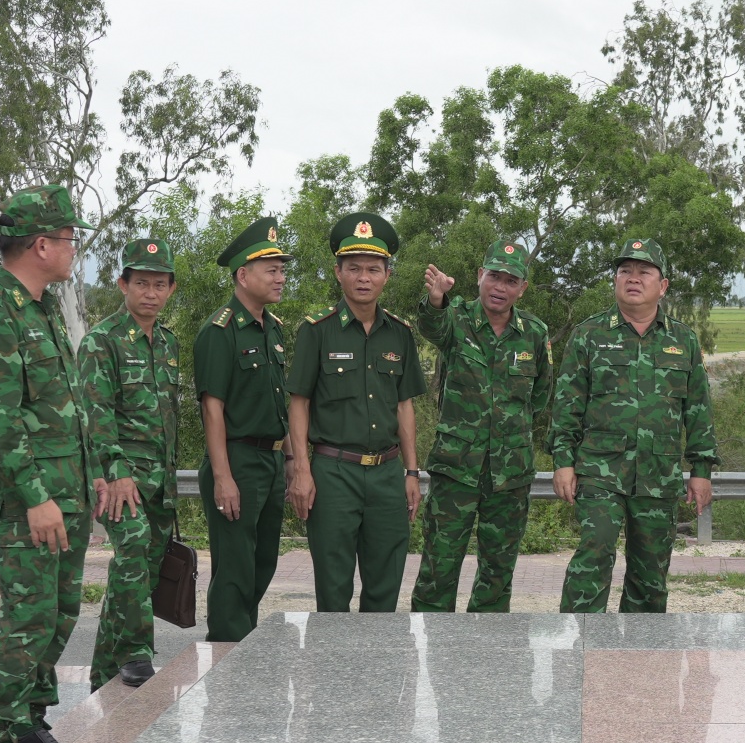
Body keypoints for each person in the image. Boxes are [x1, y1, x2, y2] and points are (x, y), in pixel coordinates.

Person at [0, 184, 98, 743]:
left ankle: (29, 722)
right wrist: (37, 496)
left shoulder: (39, 306)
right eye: (68, 240)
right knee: (28, 617)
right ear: (42, 244)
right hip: (29, 500)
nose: (73, 251)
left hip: (69, 492)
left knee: (60, 611)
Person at [551, 238, 716, 613]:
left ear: (663, 285)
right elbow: (567, 405)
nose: (633, 278)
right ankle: (580, 647)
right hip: (600, 471)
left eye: (645, 272)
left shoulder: (683, 340)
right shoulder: (589, 335)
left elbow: (698, 411)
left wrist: (701, 471)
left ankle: (640, 659)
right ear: (615, 280)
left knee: (651, 570)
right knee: (594, 553)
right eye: (625, 270)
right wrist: (563, 460)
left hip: (659, 475)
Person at [286, 212, 423, 612]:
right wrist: (301, 470)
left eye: (373, 269)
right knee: (333, 587)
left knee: (385, 586)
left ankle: (377, 672)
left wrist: (411, 473)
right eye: (354, 269)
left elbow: (404, 406)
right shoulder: (317, 330)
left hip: (386, 473)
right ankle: (331, 671)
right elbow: (299, 402)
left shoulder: (400, 333)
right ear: (338, 272)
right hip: (333, 473)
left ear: (387, 275)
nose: (364, 278)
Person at [409, 239, 552, 613]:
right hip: (457, 469)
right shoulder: (456, 319)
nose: (499, 287)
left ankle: (488, 659)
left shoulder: (535, 333)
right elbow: (430, 326)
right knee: (438, 568)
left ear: (522, 287)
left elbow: (540, 396)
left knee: (497, 573)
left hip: (510, 475)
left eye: (510, 280)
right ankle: (428, 653)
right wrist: (437, 298)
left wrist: (507, 432)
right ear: (479, 276)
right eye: (493, 276)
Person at [79, 237, 182, 690]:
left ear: (170, 289)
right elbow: (95, 414)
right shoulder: (102, 341)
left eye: (160, 284)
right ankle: (137, 653)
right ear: (123, 284)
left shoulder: (168, 342)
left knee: (143, 569)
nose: (151, 293)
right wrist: (116, 471)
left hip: (161, 482)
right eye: (142, 283)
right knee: (133, 551)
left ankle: (103, 674)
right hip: (123, 478)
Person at [194, 217, 291, 642]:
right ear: (242, 275)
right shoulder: (219, 331)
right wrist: (223, 477)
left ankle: (242, 643)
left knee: (263, 561)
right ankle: (226, 653)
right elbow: (212, 409)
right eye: (271, 270)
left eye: (282, 269)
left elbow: (281, 403)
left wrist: (288, 459)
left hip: (269, 460)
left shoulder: (274, 329)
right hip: (236, 460)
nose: (280, 277)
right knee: (234, 568)